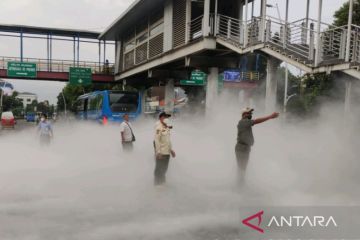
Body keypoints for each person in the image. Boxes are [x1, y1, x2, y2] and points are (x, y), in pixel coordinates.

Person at [235, 107, 279, 184]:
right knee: (241, 167)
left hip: (245, 147)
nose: (250, 114)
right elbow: (256, 121)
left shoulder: (246, 122)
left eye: (251, 113)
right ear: (244, 114)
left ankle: (241, 183)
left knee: (243, 167)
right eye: (249, 113)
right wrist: (270, 117)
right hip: (241, 148)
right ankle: (239, 184)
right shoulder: (243, 122)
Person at [154, 112, 176, 186]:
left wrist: (171, 150)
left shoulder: (167, 127)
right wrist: (158, 152)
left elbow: (167, 140)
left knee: (164, 169)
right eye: (165, 117)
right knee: (159, 170)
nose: (167, 119)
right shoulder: (158, 127)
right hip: (161, 153)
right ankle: (157, 185)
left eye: (167, 117)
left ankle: (162, 184)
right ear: (161, 118)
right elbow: (157, 141)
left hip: (167, 152)